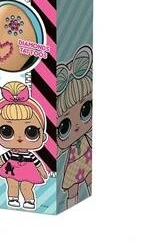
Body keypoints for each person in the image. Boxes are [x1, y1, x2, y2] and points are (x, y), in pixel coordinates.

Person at [0, 82, 48, 210]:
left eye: (31, 132)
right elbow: (4, 158)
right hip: (11, 168)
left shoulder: (30, 156)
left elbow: (38, 163)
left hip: (28, 170)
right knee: (12, 184)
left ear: (43, 137)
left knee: (26, 186)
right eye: (7, 131)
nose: (19, 138)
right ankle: (13, 198)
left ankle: (29, 200)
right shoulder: (10, 153)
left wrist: (43, 172)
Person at [56, 45, 92, 208]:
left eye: (85, 110)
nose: (77, 126)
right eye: (64, 126)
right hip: (74, 162)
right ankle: (70, 204)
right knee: (72, 189)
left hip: (86, 157)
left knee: (90, 177)